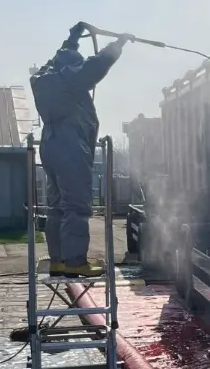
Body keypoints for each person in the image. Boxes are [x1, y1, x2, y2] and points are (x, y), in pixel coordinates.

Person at [30, 23, 133, 278]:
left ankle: (59, 260)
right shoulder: (71, 79)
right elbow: (95, 67)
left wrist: (73, 38)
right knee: (76, 205)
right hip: (70, 144)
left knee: (58, 205)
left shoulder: (45, 78)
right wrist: (117, 45)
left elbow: (60, 58)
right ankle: (75, 261)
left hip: (50, 143)